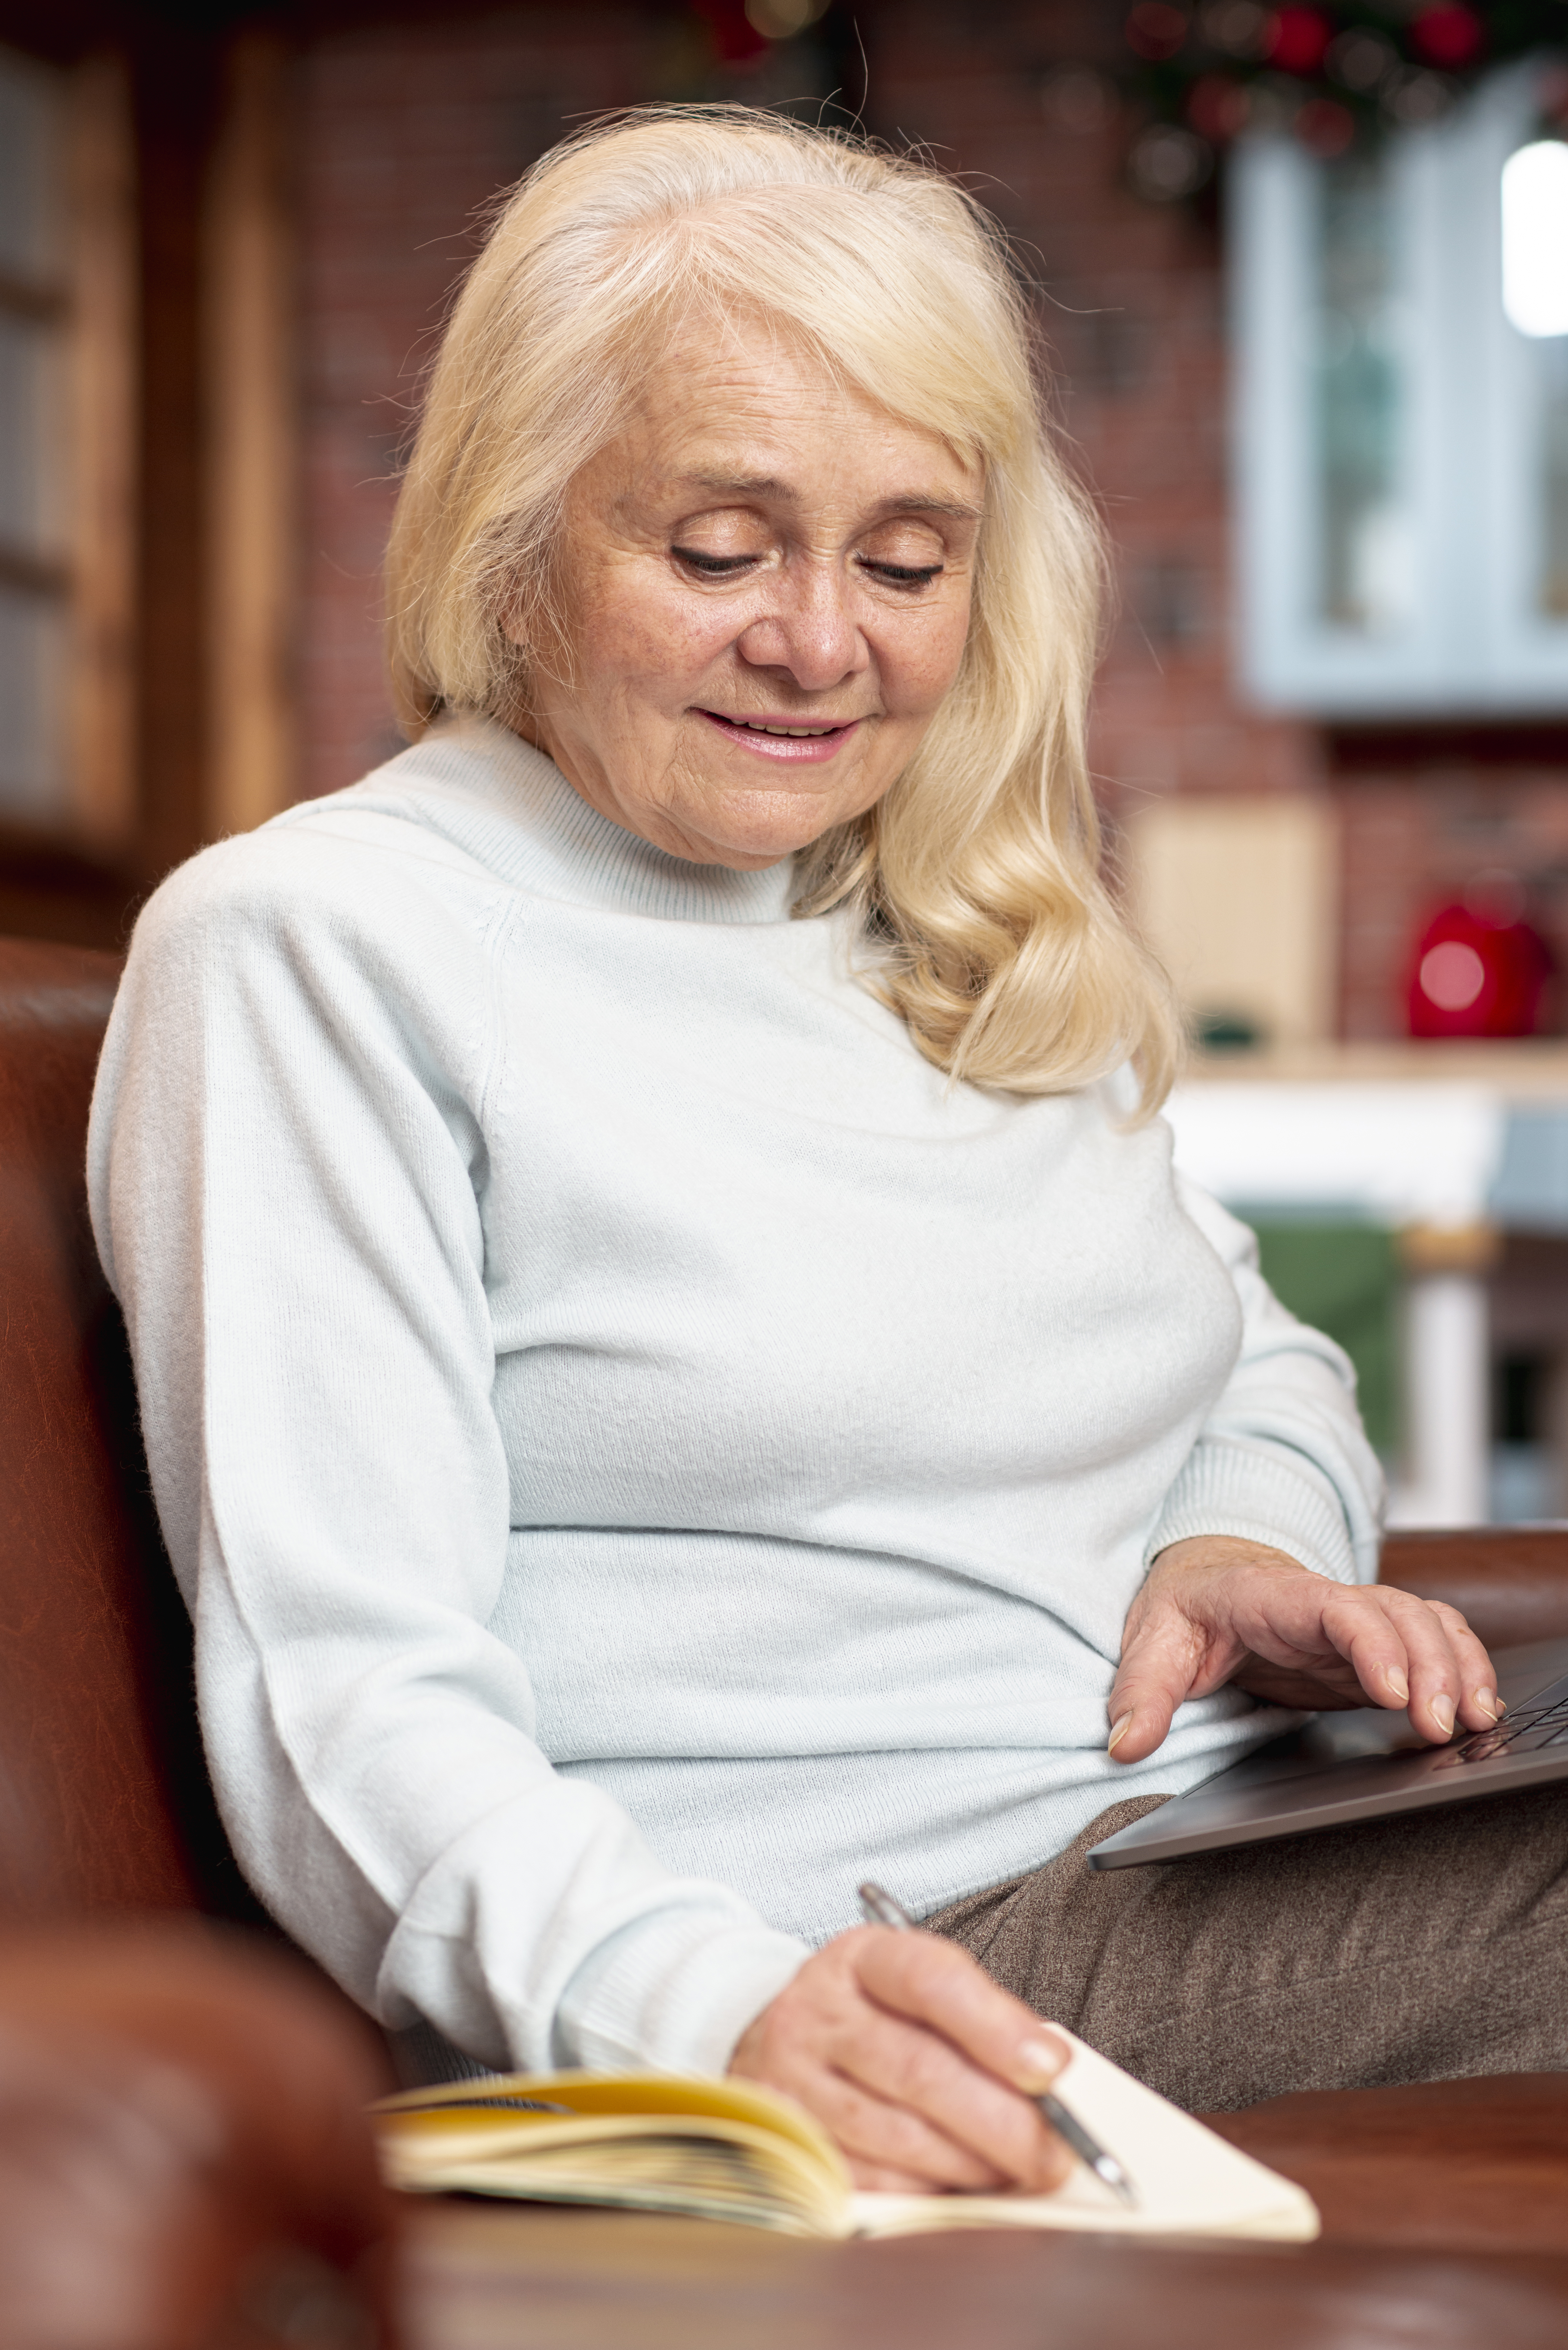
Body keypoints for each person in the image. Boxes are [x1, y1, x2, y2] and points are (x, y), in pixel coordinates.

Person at [88, 108, 1565, 2205]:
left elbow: (1248, 1356)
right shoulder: (326, 948)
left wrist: (1224, 1546)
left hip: (1213, 1830)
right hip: (873, 1961)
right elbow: (345, 1703)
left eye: (903, 559)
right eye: (716, 549)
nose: (819, 642)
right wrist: (712, 2014)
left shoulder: (935, 915)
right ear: (512, 536)